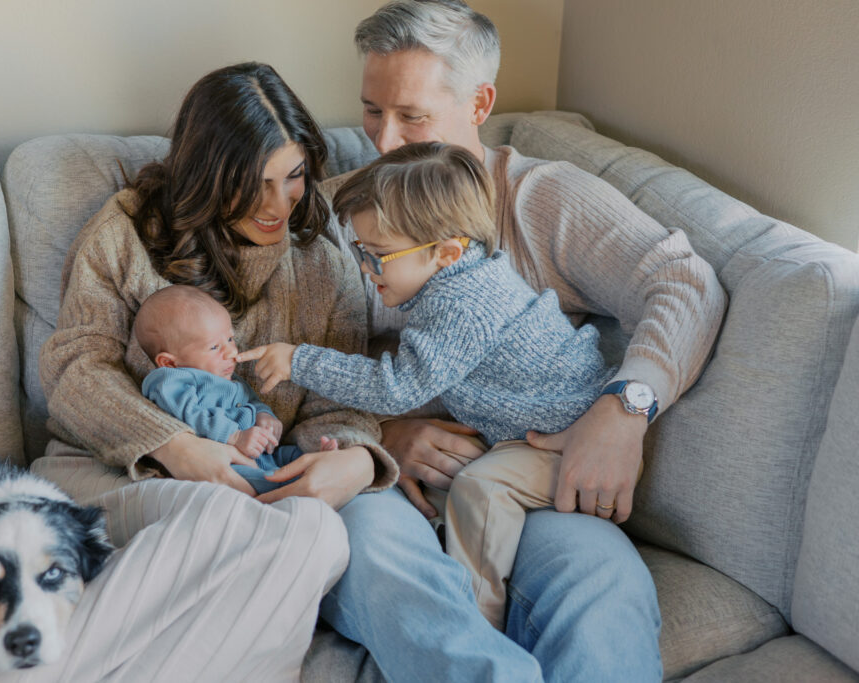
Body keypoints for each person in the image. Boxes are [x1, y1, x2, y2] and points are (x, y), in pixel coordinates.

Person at [309, 1, 727, 681]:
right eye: (371, 112)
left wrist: (623, 410)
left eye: (412, 117)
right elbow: (276, 360)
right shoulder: (340, 213)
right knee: (371, 556)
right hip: (388, 486)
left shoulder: (540, 201)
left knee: (603, 586)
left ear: (479, 102)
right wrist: (380, 430)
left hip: (528, 477)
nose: (383, 142)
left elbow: (683, 282)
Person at [27, 61, 398, 681]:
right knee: (227, 518)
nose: (280, 204)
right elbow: (74, 369)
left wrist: (351, 455)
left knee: (323, 535)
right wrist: (178, 447)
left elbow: (341, 396)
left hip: (251, 487)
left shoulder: (320, 265)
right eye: (257, 183)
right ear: (207, 174)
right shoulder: (124, 235)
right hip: (112, 472)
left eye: (296, 176)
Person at [242, 140, 630, 630]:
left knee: (479, 490)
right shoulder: (456, 279)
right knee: (452, 488)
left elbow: (395, 389)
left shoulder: (462, 305)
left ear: (446, 252)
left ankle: (479, 617)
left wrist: (300, 361)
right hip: (532, 432)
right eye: (361, 250)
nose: (365, 268)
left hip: (566, 443)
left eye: (378, 255)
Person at [135, 283, 339, 494]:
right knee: (266, 479)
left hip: (263, 454)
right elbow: (191, 414)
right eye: (214, 347)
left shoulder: (227, 377)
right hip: (226, 461)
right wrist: (234, 436)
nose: (231, 351)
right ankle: (295, 483)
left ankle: (317, 461)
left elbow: (251, 400)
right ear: (169, 362)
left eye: (230, 339)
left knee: (294, 454)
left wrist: (264, 415)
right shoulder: (169, 381)